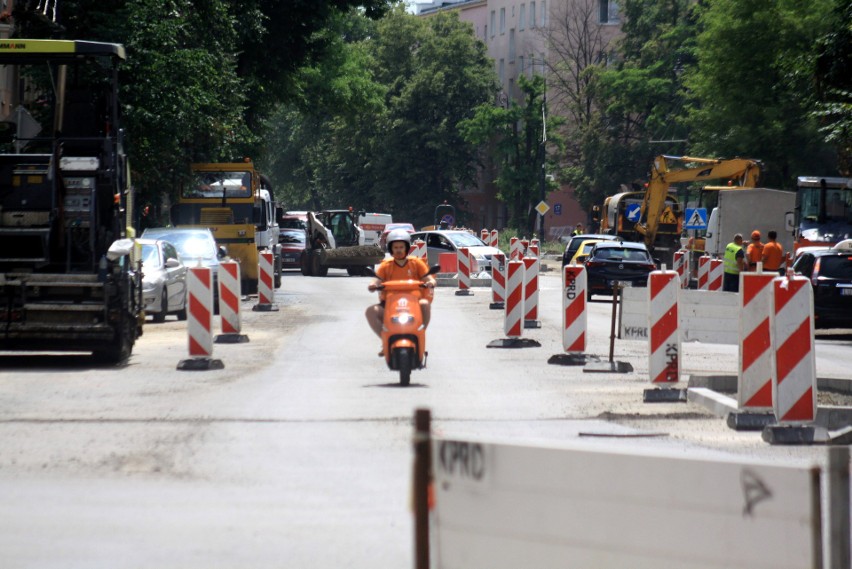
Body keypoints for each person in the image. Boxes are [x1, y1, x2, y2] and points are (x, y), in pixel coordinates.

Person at [365, 229, 436, 355]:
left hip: (414, 302)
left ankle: (420, 335)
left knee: (425, 304)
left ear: (407, 248)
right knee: (371, 312)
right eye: (395, 247)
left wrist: (431, 282)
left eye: (401, 247)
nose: (398, 250)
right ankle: (386, 341)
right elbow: (377, 279)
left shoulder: (416, 263)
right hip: (389, 303)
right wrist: (373, 284)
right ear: (391, 249)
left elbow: (427, 277)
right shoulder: (386, 265)